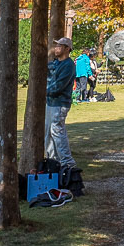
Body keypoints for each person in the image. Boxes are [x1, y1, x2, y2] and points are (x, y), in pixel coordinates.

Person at [45, 37, 77, 168]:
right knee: (48, 133)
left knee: (57, 131)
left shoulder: (68, 65)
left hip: (60, 104)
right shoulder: (55, 63)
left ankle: (67, 162)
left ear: (67, 49)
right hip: (50, 103)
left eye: (59, 46)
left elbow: (58, 86)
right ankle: (52, 161)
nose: (56, 48)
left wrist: (43, 91)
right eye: (56, 46)